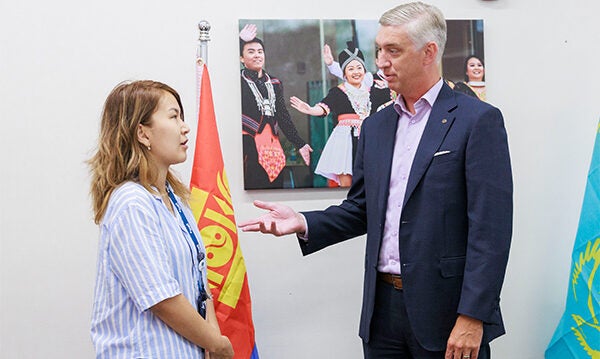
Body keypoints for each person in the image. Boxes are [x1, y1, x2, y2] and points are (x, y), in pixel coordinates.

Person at [239, 2, 512, 359]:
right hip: (382, 315)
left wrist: (473, 316)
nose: (380, 62)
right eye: (379, 50)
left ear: (429, 52)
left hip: (448, 315)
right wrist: (303, 221)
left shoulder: (478, 120)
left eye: (393, 51)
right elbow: (362, 208)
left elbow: (490, 231)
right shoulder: (376, 126)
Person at [88, 80, 234, 358]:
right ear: (142, 133)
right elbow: (162, 298)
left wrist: (213, 340)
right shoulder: (132, 202)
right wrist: (217, 345)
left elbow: (199, 284)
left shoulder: (175, 199)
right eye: (173, 116)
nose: (185, 127)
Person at [290, 42, 392, 187]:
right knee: (347, 183)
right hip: (345, 140)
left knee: (372, 181)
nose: (356, 72)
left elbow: (395, 103)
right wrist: (310, 110)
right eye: (350, 69)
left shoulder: (374, 90)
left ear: (365, 70)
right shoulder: (338, 92)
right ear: (344, 73)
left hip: (369, 139)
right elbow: (325, 107)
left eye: (359, 68)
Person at [239, 26, 313, 189]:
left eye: (260, 51)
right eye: (251, 51)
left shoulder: (274, 82)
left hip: (273, 147)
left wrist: (299, 143)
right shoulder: (238, 81)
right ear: (241, 58)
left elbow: (283, 116)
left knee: (274, 188)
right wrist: (240, 40)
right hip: (248, 145)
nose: (257, 55)